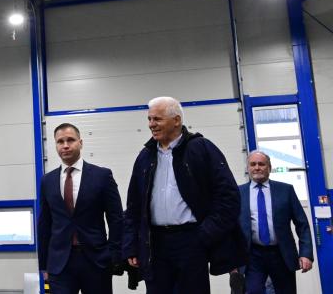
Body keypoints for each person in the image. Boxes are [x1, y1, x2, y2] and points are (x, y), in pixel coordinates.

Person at [123, 96, 245, 294]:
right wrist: (131, 245)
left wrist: (205, 234)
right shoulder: (145, 157)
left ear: (177, 120)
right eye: (149, 119)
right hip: (155, 244)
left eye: (157, 119)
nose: (151, 124)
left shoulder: (201, 149)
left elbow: (229, 198)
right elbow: (133, 207)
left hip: (191, 241)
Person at [37, 123, 124, 293]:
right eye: (60, 141)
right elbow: (44, 224)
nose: (65, 145)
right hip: (59, 264)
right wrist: (44, 265)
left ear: (80, 143)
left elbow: (116, 218)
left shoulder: (102, 176)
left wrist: (114, 255)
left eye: (70, 140)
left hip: (96, 261)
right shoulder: (47, 181)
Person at [236, 151, 313, 294]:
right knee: (252, 291)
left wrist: (306, 254)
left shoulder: (286, 190)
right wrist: (230, 260)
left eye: (261, 164)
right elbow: (230, 228)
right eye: (253, 164)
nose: (257, 167)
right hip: (252, 255)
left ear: (269, 168)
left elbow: (302, 224)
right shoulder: (238, 193)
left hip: (281, 254)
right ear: (248, 168)